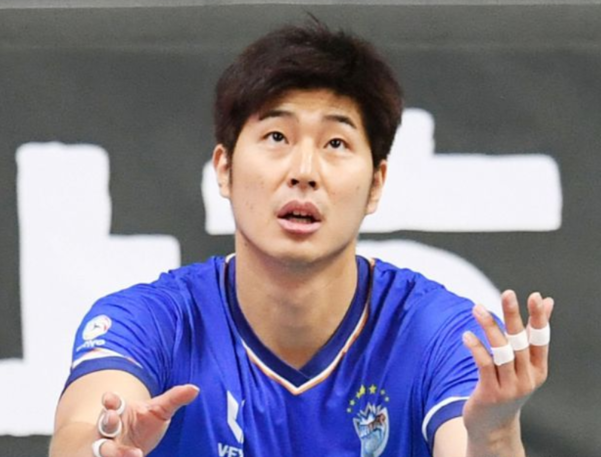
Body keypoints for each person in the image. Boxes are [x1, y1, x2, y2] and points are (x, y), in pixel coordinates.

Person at [50, 19, 553, 457]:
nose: (304, 171)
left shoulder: (442, 334)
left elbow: (466, 443)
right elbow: (82, 427)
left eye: (336, 142)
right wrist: (105, 445)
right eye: (277, 137)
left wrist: (494, 435)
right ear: (223, 168)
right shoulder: (151, 321)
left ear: (376, 183)